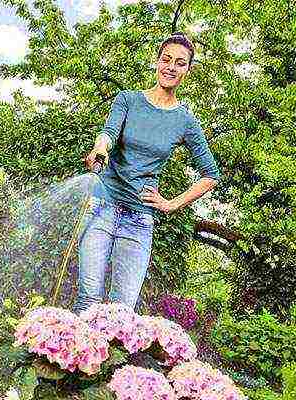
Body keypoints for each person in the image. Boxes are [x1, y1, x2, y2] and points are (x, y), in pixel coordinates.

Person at [72, 32, 221, 314]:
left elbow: (210, 175)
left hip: (139, 220)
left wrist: (171, 204)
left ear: (187, 70)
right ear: (156, 62)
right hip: (102, 206)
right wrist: (100, 150)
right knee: (88, 299)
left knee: (122, 310)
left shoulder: (185, 121)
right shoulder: (128, 100)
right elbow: (108, 133)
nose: (171, 67)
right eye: (166, 59)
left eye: (180, 63)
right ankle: (76, 358)